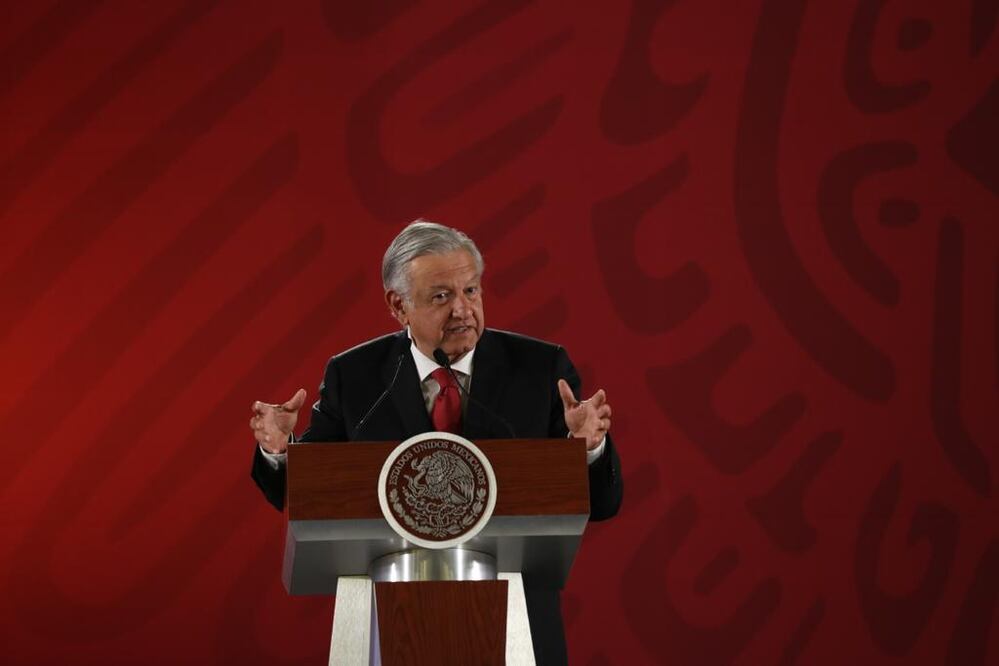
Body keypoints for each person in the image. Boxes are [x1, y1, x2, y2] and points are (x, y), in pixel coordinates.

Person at [249, 220, 623, 665]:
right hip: (390, 624)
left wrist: (586, 450)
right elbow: (308, 490)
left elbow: (603, 503)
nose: (463, 309)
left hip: (517, 625)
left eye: (471, 290)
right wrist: (278, 451)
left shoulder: (539, 368)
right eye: (441, 296)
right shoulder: (356, 377)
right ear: (398, 305)